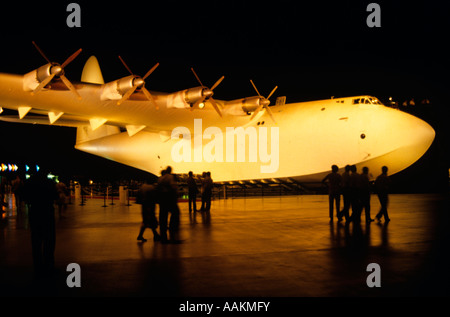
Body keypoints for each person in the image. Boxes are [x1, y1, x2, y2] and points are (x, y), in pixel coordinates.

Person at [23, 168, 59, 278]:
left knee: (36, 240)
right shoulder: (49, 183)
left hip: (35, 212)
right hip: (47, 212)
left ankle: (38, 265)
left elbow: (25, 197)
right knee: (49, 240)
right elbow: (55, 196)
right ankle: (49, 263)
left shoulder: (29, 182)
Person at [157, 166, 180, 243]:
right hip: (169, 199)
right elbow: (173, 186)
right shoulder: (170, 177)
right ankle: (172, 229)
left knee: (163, 217)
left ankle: (163, 236)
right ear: (170, 171)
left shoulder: (160, 178)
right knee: (176, 213)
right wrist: (176, 193)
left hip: (161, 200)